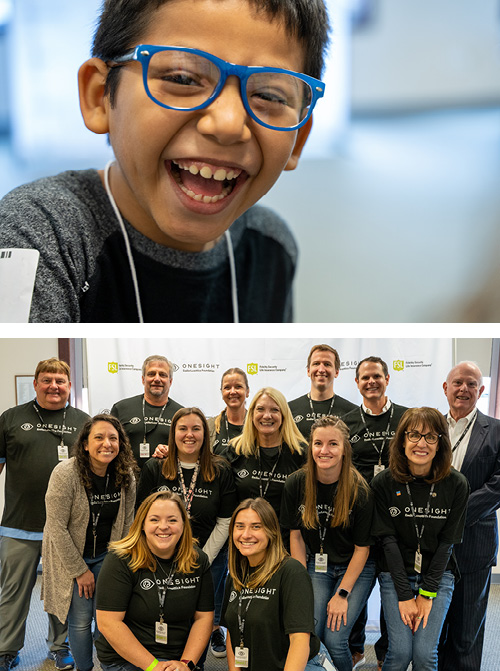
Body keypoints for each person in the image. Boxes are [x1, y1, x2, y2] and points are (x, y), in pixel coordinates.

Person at [0, 0, 329, 323]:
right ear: (99, 95)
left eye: (269, 96)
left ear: (298, 138)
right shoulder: (40, 238)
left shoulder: (271, 247)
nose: (228, 124)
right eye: (183, 79)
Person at [0, 358, 89, 671]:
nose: (54, 386)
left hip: (66, 528)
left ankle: (60, 647)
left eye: (60, 381)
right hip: (18, 526)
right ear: (36, 383)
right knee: (13, 594)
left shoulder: (83, 421)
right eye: (47, 380)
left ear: (68, 386)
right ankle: (6, 651)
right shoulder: (11, 418)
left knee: (62, 594)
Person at [371, 407, 470, 671]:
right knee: (401, 653)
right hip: (396, 574)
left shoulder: (457, 484)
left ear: (440, 444)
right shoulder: (383, 483)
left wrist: (426, 594)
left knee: (425, 655)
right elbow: (388, 543)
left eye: (430, 437)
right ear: (402, 440)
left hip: (438, 576)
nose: (421, 443)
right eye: (414, 435)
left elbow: (447, 544)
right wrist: (405, 595)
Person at [136, 407, 237, 661]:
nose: (189, 435)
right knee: (166, 613)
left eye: (196, 428)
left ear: (206, 434)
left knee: (202, 618)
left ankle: (195, 663)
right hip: (160, 557)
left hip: (208, 558)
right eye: (183, 428)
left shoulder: (220, 469)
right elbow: (142, 517)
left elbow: (225, 521)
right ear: (173, 433)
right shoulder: (154, 467)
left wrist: (201, 558)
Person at [42, 414, 137, 671]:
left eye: (113, 438)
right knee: (82, 620)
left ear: (121, 444)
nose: (107, 443)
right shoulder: (65, 473)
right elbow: (57, 528)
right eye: (99, 437)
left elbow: (127, 524)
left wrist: (116, 565)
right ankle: (85, 668)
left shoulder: (125, 474)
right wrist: (80, 571)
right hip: (72, 557)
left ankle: (108, 663)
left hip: (108, 556)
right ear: (85, 444)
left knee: (107, 619)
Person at [281, 416, 375, 671]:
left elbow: (362, 549)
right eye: (318, 443)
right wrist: (300, 582)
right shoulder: (296, 483)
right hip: (317, 565)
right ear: (310, 447)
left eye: (333, 444)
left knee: (334, 639)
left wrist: (342, 595)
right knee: (311, 632)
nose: (324, 451)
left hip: (356, 567)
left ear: (345, 448)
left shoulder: (360, 490)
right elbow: (296, 536)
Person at [95, 490, 214, 671]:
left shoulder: (197, 560)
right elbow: (108, 623)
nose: (163, 526)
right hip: (128, 659)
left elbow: (204, 618)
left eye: (172, 520)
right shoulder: (120, 560)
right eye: (154, 519)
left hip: (179, 659)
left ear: (184, 525)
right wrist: (153, 667)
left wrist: (186, 664)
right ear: (142, 524)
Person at [343, 356, 408, 669]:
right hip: (360, 520)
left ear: (387, 379)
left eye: (377, 377)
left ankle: (384, 653)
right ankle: (355, 647)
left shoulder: (406, 419)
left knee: (392, 586)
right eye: (364, 377)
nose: (371, 382)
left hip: (399, 518)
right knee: (356, 583)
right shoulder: (347, 422)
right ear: (356, 383)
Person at [222, 497, 332, 671]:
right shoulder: (236, 575)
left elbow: (299, 641)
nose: (245, 534)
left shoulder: (291, 572)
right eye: (240, 526)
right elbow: (232, 631)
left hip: (303, 665)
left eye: (256, 526)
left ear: (271, 531)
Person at [439, 362, 500, 671]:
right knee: (434, 628)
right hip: (431, 545)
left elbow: (497, 485)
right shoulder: (429, 427)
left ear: (481, 390)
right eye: (458, 382)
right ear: (445, 388)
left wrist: (453, 514)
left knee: (467, 629)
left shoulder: (497, 430)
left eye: (472, 384)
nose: (464, 389)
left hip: (475, 543)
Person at [220, 387, 305, 519]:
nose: (266, 416)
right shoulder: (236, 450)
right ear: (252, 414)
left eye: (274, 410)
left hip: (286, 536)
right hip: (245, 535)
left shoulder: (300, 453)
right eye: (260, 409)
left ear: (283, 415)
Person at [110, 355, 183, 470]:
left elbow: (188, 452)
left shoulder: (181, 414)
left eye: (163, 375)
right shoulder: (121, 408)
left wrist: (173, 452)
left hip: (166, 481)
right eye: (151, 374)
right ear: (143, 379)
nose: (157, 379)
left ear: (170, 381)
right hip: (126, 480)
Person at [289, 345, 356, 440]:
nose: (321, 370)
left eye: (327, 364)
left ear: (336, 372)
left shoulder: (352, 412)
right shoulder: (289, 410)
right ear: (308, 370)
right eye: (316, 364)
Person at [207, 367, 249, 454]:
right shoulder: (209, 426)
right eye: (227, 387)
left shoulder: (257, 425)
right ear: (222, 392)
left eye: (238, 386)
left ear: (247, 391)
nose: (233, 391)